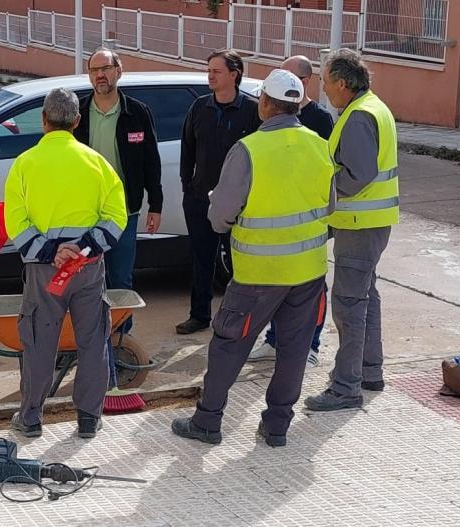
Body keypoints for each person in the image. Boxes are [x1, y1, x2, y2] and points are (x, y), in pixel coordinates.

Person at [171, 69, 334, 447]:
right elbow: (330, 206)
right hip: (308, 272)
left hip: (259, 274)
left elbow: (219, 216)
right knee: (293, 351)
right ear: (296, 104)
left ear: (263, 103)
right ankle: (277, 427)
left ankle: (208, 422)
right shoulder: (319, 145)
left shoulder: (249, 149)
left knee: (229, 345)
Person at [4, 88, 128, 440]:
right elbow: (116, 218)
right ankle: (89, 418)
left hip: (44, 272)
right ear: (77, 121)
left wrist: (51, 252)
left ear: (43, 120)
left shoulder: (24, 164)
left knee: (39, 343)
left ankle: (30, 418)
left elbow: (16, 222)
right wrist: (84, 249)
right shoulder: (97, 163)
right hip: (88, 269)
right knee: (92, 341)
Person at [304, 49, 399, 412]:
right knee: (364, 297)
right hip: (369, 223)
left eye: (327, 83)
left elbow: (357, 176)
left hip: (359, 224)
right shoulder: (372, 107)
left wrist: (321, 192)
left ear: (343, 83)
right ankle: (369, 371)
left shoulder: (359, 117)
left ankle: (345, 387)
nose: (325, 90)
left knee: (348, 305)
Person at [249, 55, 335, 367]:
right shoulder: (266, 120)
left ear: (304, 82)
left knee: (312, 289)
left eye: (286, 76)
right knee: (277, 287)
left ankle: (310, 344)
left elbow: (327, 174)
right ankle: (274, 341)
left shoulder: (320, 119)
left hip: (308, 224)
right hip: (277, 224)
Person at [72, 47, 162, 334]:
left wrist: (155, 204)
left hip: (125, 211)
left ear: (118, 71)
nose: (100, 75)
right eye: (94, 70)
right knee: (85, 279)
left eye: (105, 68)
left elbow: (151, 160)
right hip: (85, 211)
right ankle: (90, 337)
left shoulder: (136, 112)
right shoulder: (79, 113)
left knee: (121, 279)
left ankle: (122, 340)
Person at [177, 49, 261, 335]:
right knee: (201, 260)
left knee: (239, 263)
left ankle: (240, 317)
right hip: (201, 200)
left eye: (216, 71)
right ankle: (199, 315)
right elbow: (187, 150)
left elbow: (260, 156)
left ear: (234, 74)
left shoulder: (251, 111)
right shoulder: (200, 107)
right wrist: (188, 187)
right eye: (208, 70)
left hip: (238, 204)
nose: (210, 76)